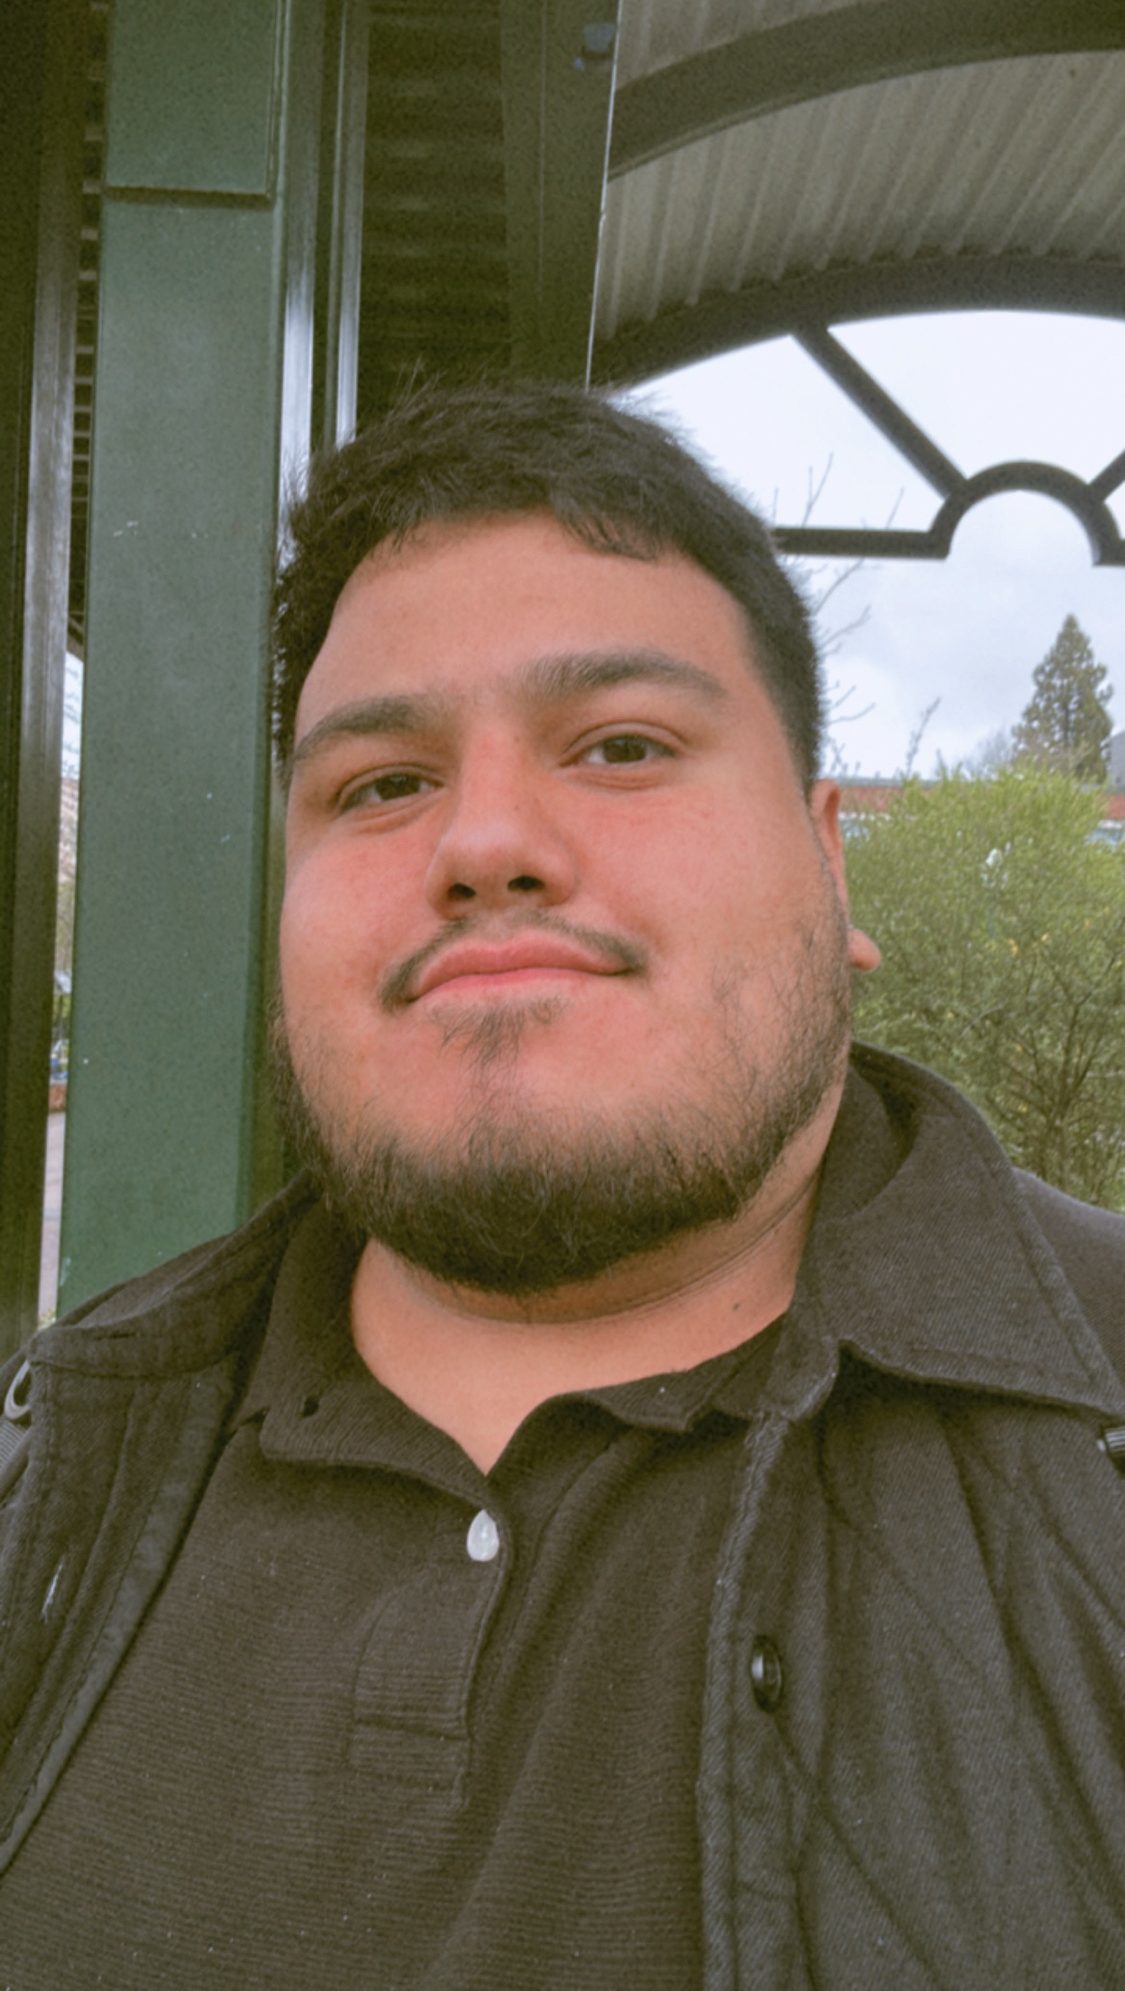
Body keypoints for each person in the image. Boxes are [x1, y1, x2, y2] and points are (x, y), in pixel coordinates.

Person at [3, 381, 1125, 1989]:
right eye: (380, 784)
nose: (484, 841)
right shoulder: (55, 1462)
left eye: (620, 746)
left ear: (829, 864)